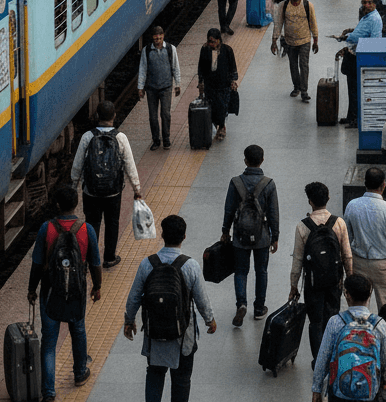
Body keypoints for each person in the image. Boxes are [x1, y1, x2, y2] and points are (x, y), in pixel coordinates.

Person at [123, 214, 216, 402]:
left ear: (162, 235)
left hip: (154, 334)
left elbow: (134, 297)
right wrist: (210, 320)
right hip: (183, 336)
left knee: (155, 375)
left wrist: (129, 321)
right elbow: (201, 299)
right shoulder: (191, 266)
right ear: (184, 237)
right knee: (181, 380)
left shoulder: (147, 264)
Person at [27, 184, 102, 402]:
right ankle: (79, 373)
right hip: (77, 292)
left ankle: (49, 393)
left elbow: (37, 263)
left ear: (57, 205)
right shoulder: (87, 229)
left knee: (49, 343)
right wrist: (97, 287)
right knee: (78, 331)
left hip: (51, 291)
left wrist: (32, 290)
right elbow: (95, 263)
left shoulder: (46, 229)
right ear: (76, 204)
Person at [70, 100, 142, 269]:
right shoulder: (120, 137)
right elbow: (129, 165)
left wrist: (74, 186)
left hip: (91, 191)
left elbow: (77, 164)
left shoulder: (87, 137)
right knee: (112, 223)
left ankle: (90, 260)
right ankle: (109, 257)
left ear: (97, 116)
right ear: (114, 116)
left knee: (92, 223)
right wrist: (137, 189)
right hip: (113, 192)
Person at [290, 181, 354, 363]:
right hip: (335, 281)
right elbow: (347, 255)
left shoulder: (302, 226)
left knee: (316, 322)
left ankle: (318, 360)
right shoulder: (338, 223)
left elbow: (297, 260)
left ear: (310, 201)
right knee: (333, 318)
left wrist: (293, 286)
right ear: (328, 199)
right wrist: (349, 279)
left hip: (313, 283)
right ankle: (333, 357)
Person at [221, 143, 280, 326]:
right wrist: (275, 236)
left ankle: (241, 304)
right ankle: (259, 308)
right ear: (262, 160)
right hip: (262, 236)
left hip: (240, 236)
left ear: (245, 160)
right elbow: (273, 213)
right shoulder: (268, 184)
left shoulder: (235, 182)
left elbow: (229, 209)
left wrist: (225, 231)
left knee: (240, 271)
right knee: (261, 271)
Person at [311, 274, 386, 402]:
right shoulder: (379, 324)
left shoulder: (336, 322)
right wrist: (384, 381)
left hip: (339, 392)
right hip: (369, 391)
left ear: (347, 294)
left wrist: (317, 388)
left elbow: (323, 358)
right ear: (369, 295)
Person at [343, 167, 386, 309]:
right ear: (383, 185)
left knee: (359, 308)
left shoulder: (352, 206)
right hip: (383, 265)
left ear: (365, 184)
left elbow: (347, 238)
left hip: (359, 263)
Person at [338, 0, 383, 126]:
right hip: (355, 54)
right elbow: (360, 33)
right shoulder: (367, 16)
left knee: (356, 90)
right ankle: (351, 116)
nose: (367, 5)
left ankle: (356, 119)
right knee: (351, 88)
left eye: (369, 2)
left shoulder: (374, 19)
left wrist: (347, 38)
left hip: (362, 57)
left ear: (375, 4)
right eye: (364, 2)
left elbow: (369, 39)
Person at [271, 0, 319, 101]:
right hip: (290, 42)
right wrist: (274, 40)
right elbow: (278, 23)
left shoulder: (308, 5)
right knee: (293, 65)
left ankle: (304, 91)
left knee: (304, 65)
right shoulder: (284, 5)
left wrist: (315, 40)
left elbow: (313, 23)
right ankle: (296, 87)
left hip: (305, 41)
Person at [138, 26, 182, 151]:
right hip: (151, 88)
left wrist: (177, 84)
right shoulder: (147, 51)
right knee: (153, 116)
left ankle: (166, 139)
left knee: (165, 114)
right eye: (156, 37)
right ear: (152, 38)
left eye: (160, 37)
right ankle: (156, 140)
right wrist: (140, 87)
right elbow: (143, 69)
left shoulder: (170, 49)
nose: (158, 39)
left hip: (166, 87)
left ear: (163, 36)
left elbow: (175, 67)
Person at [197, 28, 238, 140]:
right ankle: (216, 125)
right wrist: (201, 82)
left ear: (219, 40)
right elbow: (201, 67)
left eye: (214, 42)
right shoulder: (205, 49)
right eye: (210, 42)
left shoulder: (227, 50)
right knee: (212, 107)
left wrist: (233, 80)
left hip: (223, 85)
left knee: (222, 108)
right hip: (210, 85)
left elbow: (232, 66)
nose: (211, 44)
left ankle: (221, 127)